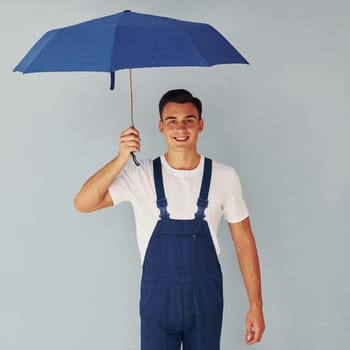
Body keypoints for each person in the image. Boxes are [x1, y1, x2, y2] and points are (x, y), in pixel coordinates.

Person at [74, 89, 265, 349]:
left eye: (189, 119)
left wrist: (256, 306)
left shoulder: (224, 176)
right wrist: (121, 157)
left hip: (205, 299)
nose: (181, 128)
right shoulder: (140, 175)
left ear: (200, 125)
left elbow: (243, 242)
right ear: (161, 126)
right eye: (172, 121)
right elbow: (83, 203)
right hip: (158, 301)